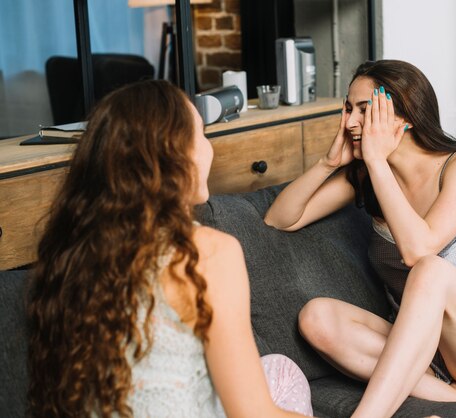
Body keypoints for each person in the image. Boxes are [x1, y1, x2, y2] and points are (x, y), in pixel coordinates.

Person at [264, 60, 456, 417]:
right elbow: (280, 219)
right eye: (348, 109)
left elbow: (418, 251)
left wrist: (376, 163)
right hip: (418, 350)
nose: (350, 122)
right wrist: (328, 164)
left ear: (405, 116)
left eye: (365, 109)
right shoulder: (363, 177)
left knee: (430, 270)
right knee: (316, 317)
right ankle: (455, 397)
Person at [27, 80, 313, 418]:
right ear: (173, 154)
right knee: (284, 377)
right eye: (201, 135)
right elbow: (253, 415)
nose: (209, 148)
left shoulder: (69, 254)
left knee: (278, 368)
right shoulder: (208, 253)